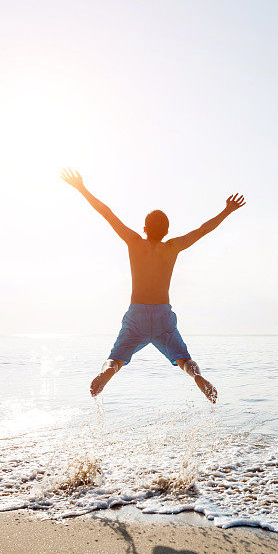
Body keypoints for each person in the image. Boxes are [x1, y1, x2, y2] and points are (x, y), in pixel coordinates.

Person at [60, 169, 246, 402]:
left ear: (144, 228)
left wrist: (82, 188)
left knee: (115, 359)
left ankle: (107, 372)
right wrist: (227, 210)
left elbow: (107, 213)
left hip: (137, 313)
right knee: (185, 361)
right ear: (167, 231)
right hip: (162, 316)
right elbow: (203, 230)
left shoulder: (134, 242)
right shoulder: (172, 247)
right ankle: (198, 377)